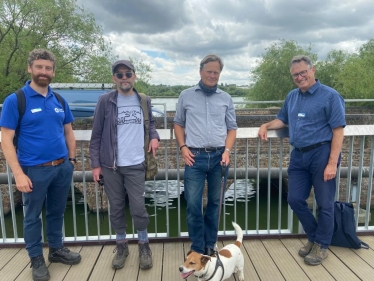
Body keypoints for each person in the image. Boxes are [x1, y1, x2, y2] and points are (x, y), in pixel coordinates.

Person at [0, 49, 81, 281]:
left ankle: (56, 250)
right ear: (30, 68)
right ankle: (36, 258)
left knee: (57, 211)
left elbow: (68, 132)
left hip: (61, 167)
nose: (43, 72)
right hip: (33, 169)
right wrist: (18, 174)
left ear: (53, 72)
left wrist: (72, 160)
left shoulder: (59, 100)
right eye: (39, 67)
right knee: (32, 216)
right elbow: (6, 140)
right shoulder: (16, 100)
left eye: (47, 68)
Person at [258, 55, 346, 266]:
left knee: (325, 203)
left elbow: (338, 130)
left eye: (302, 72)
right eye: (295, 75)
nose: (299, 77)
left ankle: (321, 245)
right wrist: (266, 125)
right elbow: (283, 119)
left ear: (312, 70)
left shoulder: (330, 96)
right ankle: (316, 237)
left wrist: (332, 162)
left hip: (322, 153)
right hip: (298, 154)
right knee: (295, 199)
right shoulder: (292, 96)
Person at [89, 59, 159, 270]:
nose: (124, 78)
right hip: (111, 166)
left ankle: (144, 245)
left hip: (136, 163)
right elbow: (96, 135)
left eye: (128, 74)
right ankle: (121, 246)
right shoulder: (105, 101)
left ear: (134, 76)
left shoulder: (143, 100)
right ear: (114, 79)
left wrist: (154, 136)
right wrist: (95, 165)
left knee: (138, 208)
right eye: (119, 75)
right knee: (116, 208)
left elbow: (151, 123)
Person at [173, 54, 237, 256]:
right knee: (193, 204)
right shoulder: (186, 95)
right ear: (200, 72)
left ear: (220, 73)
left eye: (216, 72)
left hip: (219, 157)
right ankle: (197, 246)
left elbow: (232, 128)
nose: (212, 75)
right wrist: (183, 147)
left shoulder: (226, 98)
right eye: (209, 71)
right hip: (195, 157)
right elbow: (178, 123)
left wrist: (227, 151)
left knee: (215, 204)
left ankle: (211, 243)